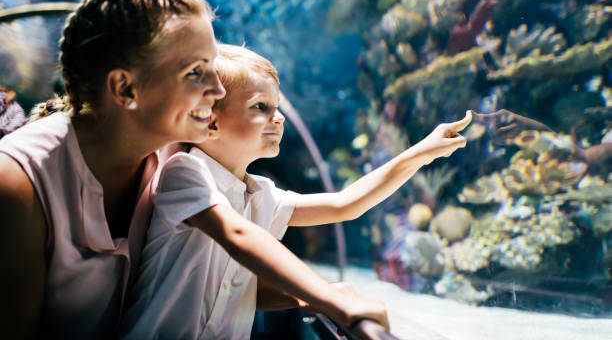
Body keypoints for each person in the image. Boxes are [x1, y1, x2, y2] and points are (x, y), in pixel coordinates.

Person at [121, 44, 472, 339]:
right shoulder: (185, 172)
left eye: (278, 108)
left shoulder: (262, 194)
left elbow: (342, 205)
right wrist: (332, 300)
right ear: (209, 121)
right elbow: (238, 236)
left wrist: (420, 152)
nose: (279, 118)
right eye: (261, 107)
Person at [0, 0, 226, 339]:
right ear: (124, 88)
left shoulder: (180, 154)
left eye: (215, 67)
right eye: (195, 72)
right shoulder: (17, 183)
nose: (219, 89)